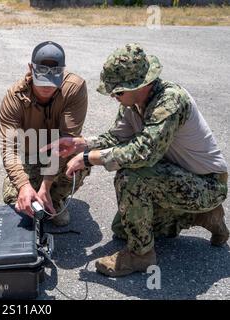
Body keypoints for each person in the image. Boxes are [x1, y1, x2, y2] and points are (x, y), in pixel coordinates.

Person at [46, 43, 228, 276]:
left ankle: (141, 256)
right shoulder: (131, 104)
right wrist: (82, 144)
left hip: (207, 184)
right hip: (173, 176)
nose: (113, 96)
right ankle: (204, 216)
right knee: (123, 229)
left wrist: (89, 158)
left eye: (118, 91)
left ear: (140, 85)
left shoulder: (170, 101)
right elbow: (116, 136)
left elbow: (143, 153)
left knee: (131, 177)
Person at [0, 41, 90, 226]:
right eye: (41, 80)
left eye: (53, 81)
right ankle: (36, 196)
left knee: (81, 158)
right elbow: (9, 149)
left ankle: (53, 200)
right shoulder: (14, 97)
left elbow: (67, 143)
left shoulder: (74, 88)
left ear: (62, 72)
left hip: (61, 152)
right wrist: (24, 185)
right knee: (13, 198)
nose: (47, 87)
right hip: (30, 154)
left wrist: (46, 185)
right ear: (30, 68)